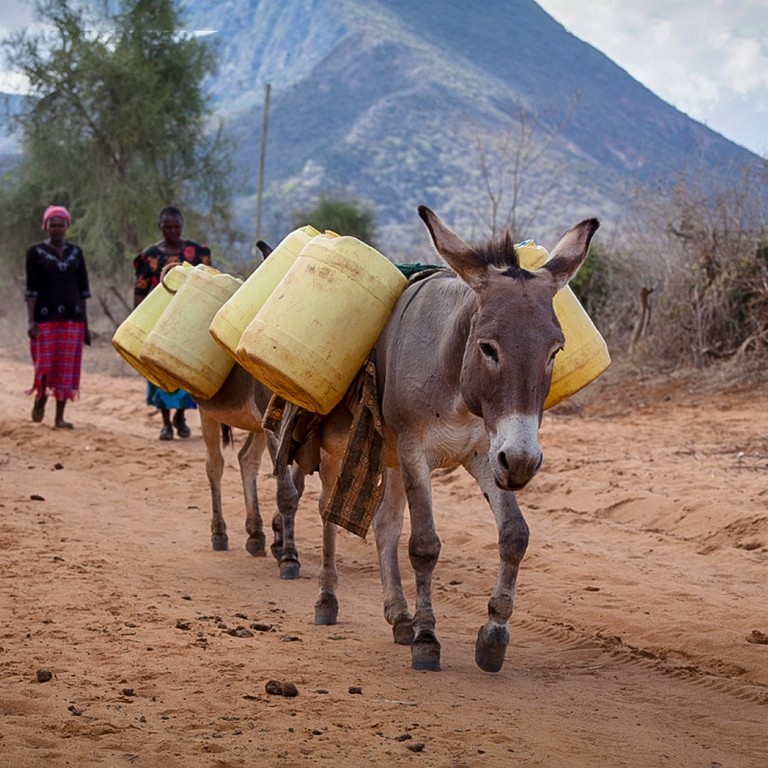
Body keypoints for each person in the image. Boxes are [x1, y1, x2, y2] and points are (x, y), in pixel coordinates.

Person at [133, 206, 212, 441]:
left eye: (177, 226)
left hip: (188, 324)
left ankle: (180, 415)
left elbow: (209, 284)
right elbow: (140, 290)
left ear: (182, 226)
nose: (173, 231)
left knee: (184, 372)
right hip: (158, 324)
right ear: (160, 227)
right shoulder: (149, 256)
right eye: (168, 227)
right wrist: (139, 321)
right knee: (160, 373)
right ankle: (166, 423)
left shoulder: (197, 253)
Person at [25, 205, 91, 429]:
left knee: (66, 369)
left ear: (67, 226)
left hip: (73, 319)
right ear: (45, 226)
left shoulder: (76, 253)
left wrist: (86, 325)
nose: (57, 228)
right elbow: (31, 290)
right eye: (52, 224)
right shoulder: (35, 253)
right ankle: (41, 399)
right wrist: (31, 321)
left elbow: (83, 291)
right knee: (45, 366)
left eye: (61, 224)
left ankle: (59, 418)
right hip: (45, 318)